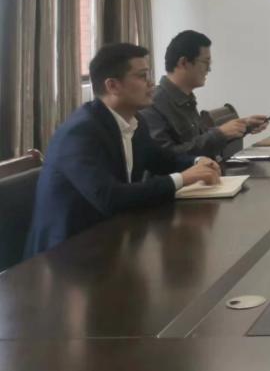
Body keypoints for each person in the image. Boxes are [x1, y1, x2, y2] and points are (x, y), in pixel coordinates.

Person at [25, 43, 222, 257]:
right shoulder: (80, 132)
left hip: (112, 239)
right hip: (66, 255)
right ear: (113, 86)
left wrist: (197, 162)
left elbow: (162, 159)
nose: (151, 83)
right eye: (142, 76)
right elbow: (109, 197)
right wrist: (183, 178)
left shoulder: (136, 122)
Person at [140, 30, 269, 159]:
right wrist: (220, 134)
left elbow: (198, 142)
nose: (209, 69)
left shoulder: (186, 98)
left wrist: (242, 127)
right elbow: (165, 158)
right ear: (183, 63)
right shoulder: (152, 104)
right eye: (206, 62)